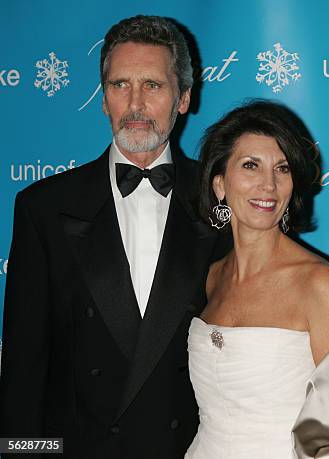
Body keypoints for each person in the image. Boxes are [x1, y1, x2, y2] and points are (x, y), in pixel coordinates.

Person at [0, 15, 224, 458]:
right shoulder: (43, 208)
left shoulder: (223, 203)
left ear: (183, 98)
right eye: (121, 85)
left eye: (154, 86)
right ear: (103, 99)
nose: (136, 104)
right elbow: (23, 371)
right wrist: (26, 453)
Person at [187, 100, 329, 458]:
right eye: (250, 166)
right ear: (220, 184)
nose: (269, 185)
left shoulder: (318, 283)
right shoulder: (213, 276)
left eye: (282, 169)